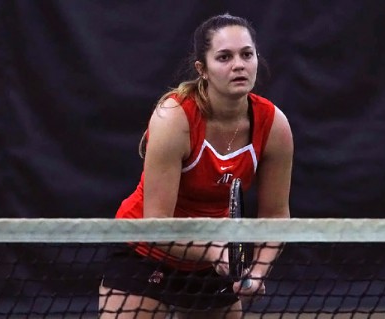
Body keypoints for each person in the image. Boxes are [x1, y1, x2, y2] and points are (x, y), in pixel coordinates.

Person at [99, 13, 293, 319]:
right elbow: (156, 224)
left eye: (247, 54)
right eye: (224, 57)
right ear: (202, 69)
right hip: (146, 252)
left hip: (212, 263)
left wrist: (256, 272)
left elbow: (275, 215)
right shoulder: (174, 117)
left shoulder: (274, 125)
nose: (238, 65)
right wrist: (214, 250)